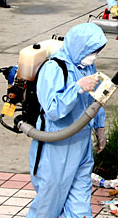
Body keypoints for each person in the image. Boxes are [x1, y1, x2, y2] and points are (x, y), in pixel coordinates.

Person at [27, 22, 107, 218]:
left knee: (80, 205)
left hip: (81, 143)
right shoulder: (54, 68)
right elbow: (53, 110)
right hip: (57, 146)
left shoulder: (87, 66)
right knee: (49, 205)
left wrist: (100, 126)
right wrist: (77, 88)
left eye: (96, 52)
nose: (94, 56)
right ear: (79, 46)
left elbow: (95, 100)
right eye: (91, 51)